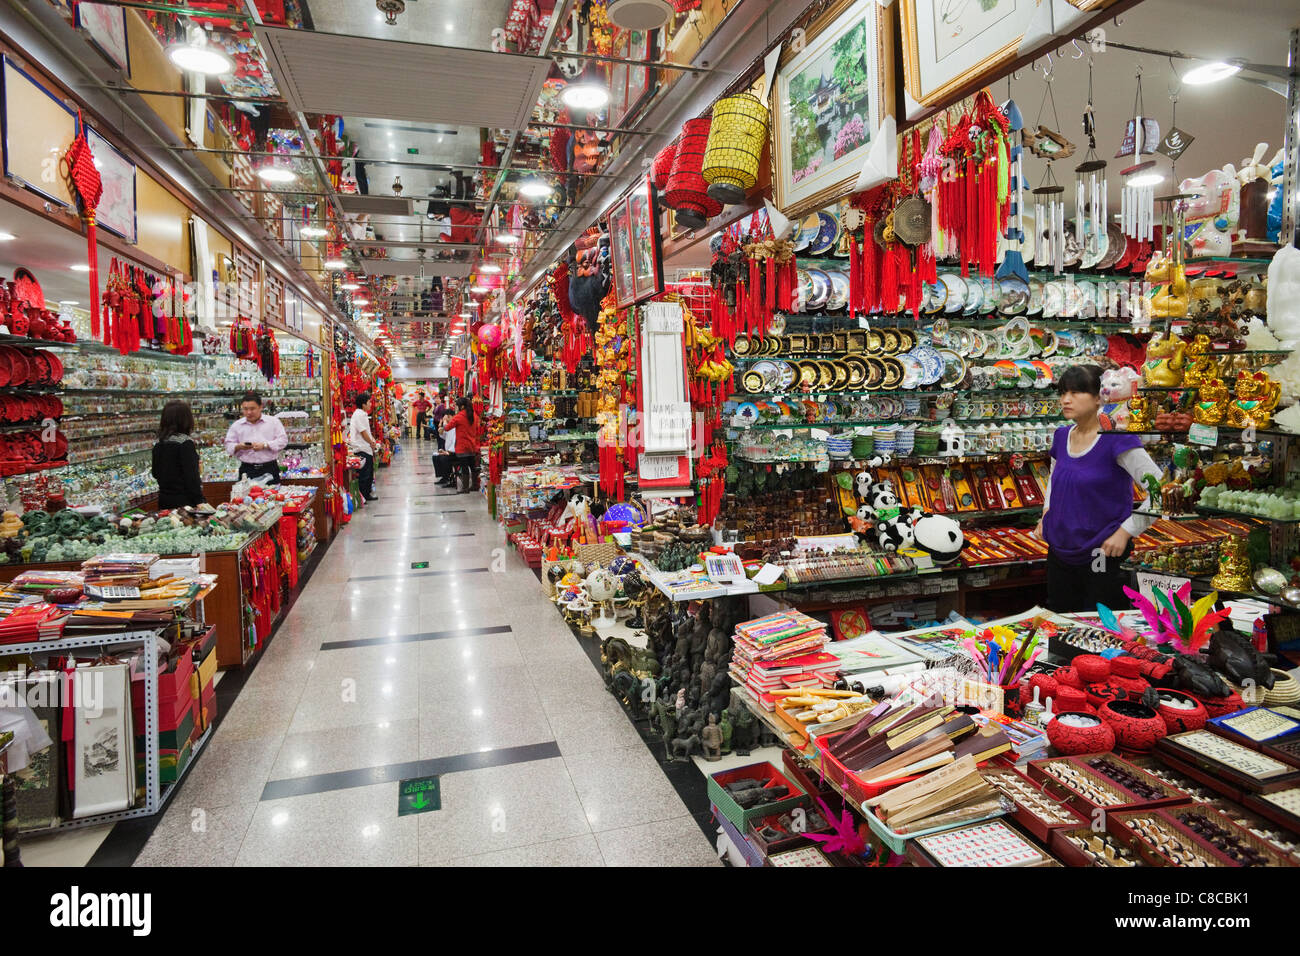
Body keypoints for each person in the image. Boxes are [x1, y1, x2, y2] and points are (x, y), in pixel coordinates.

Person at [1036, 364, 1162, 613]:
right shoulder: (1062, 436)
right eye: (1063, 393)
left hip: (1100, 552)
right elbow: (1055, 477)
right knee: (1060, 622)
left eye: (1075, 392)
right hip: (1060, 549)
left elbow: (1161, 491)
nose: (1066, 400)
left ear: (1099, 397)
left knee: (1096, 621)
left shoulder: (1118, 439)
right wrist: (1047, 512)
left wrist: (1126, 532)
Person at [223, 391, 288, 483]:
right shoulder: (237, 425)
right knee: (246, 497)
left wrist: (265, 445)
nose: (249, 412)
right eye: (245, 409)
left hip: (269, 468)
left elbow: (283, 441)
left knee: (271, 495)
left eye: (252, 409)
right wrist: (239, 446)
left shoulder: (273, 422)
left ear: (261, 407)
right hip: (247, 469)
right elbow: (228, 445)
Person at [151, 400, 205, 509]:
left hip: (164, 500)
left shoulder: (159, 443)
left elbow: (155, 473)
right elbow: (191, 478)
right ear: (186, 420)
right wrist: (200, 500)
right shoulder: (185, 443)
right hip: (185, 502)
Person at [439, 396, 480, 493]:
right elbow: (478, 426)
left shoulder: (459, 416)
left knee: (464, 468)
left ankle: (465, 488)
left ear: (461, 407)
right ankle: (475, 485)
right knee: (472, 466)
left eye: (457, 406)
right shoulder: (474, 415)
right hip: (472, 445)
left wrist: (443, 425)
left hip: (462, 447)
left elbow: (448, 427)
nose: (456, 408)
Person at [349, 391, 380, 502]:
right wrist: (371, 442)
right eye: (369, 402)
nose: (370, 404)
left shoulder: (360, 414)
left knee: (368, 473)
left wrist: (372, 441)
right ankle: (364, 495)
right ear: (363, 404)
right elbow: (363, 432)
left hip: (365, 447)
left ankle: (366, 494)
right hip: (362, 448)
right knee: (365, 475)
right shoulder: (359, 415)